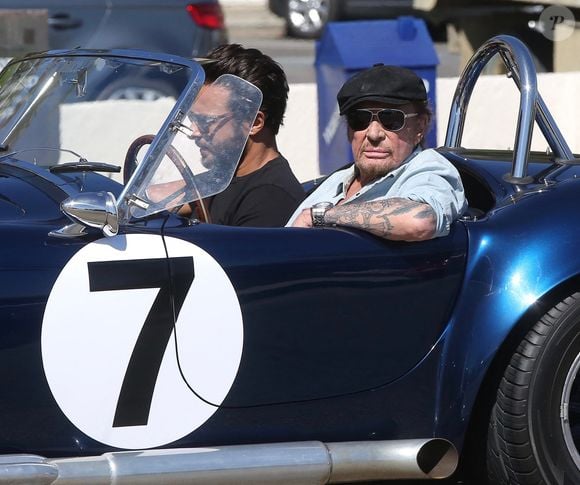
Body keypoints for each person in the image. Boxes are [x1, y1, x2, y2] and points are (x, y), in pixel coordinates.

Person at [287, 64, 467, 241]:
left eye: (391, 119)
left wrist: (320, 216)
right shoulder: (336, 181)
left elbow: (421, 221)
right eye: (360, 119)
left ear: (420, 126)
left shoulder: (428, 169)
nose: (373, 134)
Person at [188, 43, 305, 227]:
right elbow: (159, 198)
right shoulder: (223, 178)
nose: (193, 132)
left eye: (206, 121)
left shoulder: (269, 199)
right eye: (192, 118)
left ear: (254, 123)